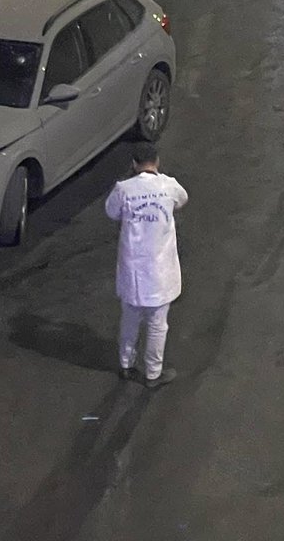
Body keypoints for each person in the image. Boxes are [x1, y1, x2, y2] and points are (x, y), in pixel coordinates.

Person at [105, 142, 188, 388]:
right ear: (157, 161)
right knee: (157, 325)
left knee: (130, 319)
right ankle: (153, 373)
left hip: (133, 270)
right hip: (160, 271)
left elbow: (111, 211)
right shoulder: (169, 186)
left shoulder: (123, 189)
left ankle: (126, 364)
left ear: (133, 164)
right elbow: (182, 200)